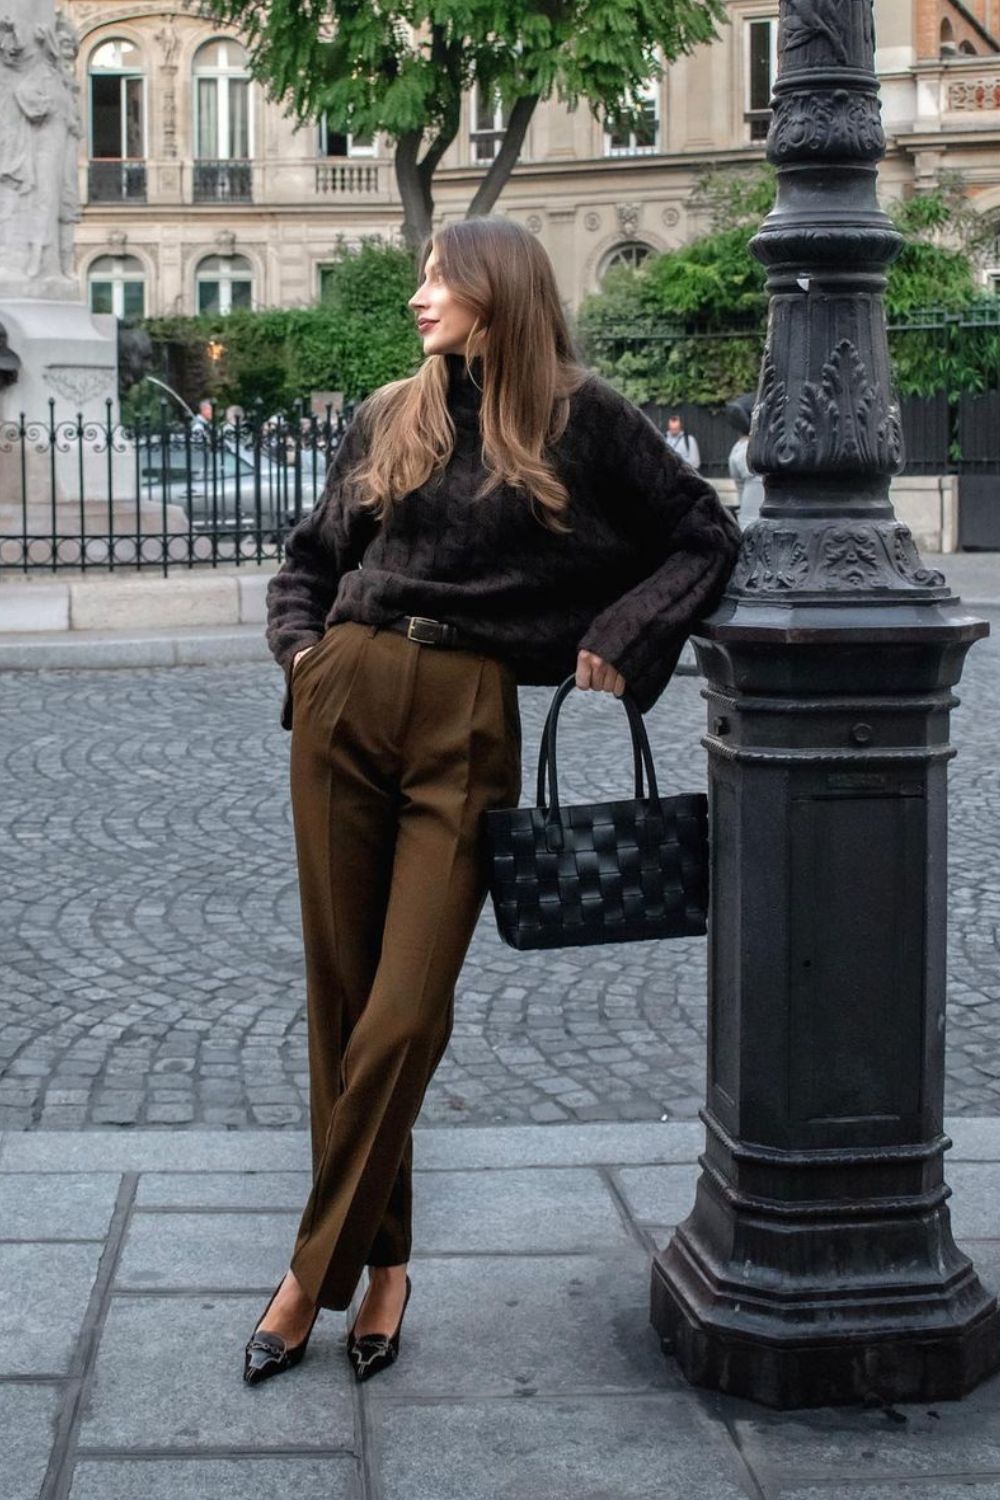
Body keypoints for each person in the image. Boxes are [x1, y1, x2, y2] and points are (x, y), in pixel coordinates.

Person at [248, 215, 740, 1389]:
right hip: (345, 697)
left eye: (440, 278)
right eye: (421, 277)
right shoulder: (393, 413)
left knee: (405, 1013)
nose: (419, 295)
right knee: (342, 1004)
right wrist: (303, 657)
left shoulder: (584, 416)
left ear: (499, 293)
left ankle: (305, 1279)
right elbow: (310, 557)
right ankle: (383, 1270)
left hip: (467, 719)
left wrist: (625, 633)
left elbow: (702, 534)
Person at [725, 394, 765, 528]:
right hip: (755, 528)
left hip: (748, 524)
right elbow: (754, 514)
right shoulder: (749, 453)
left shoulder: (738, 448)